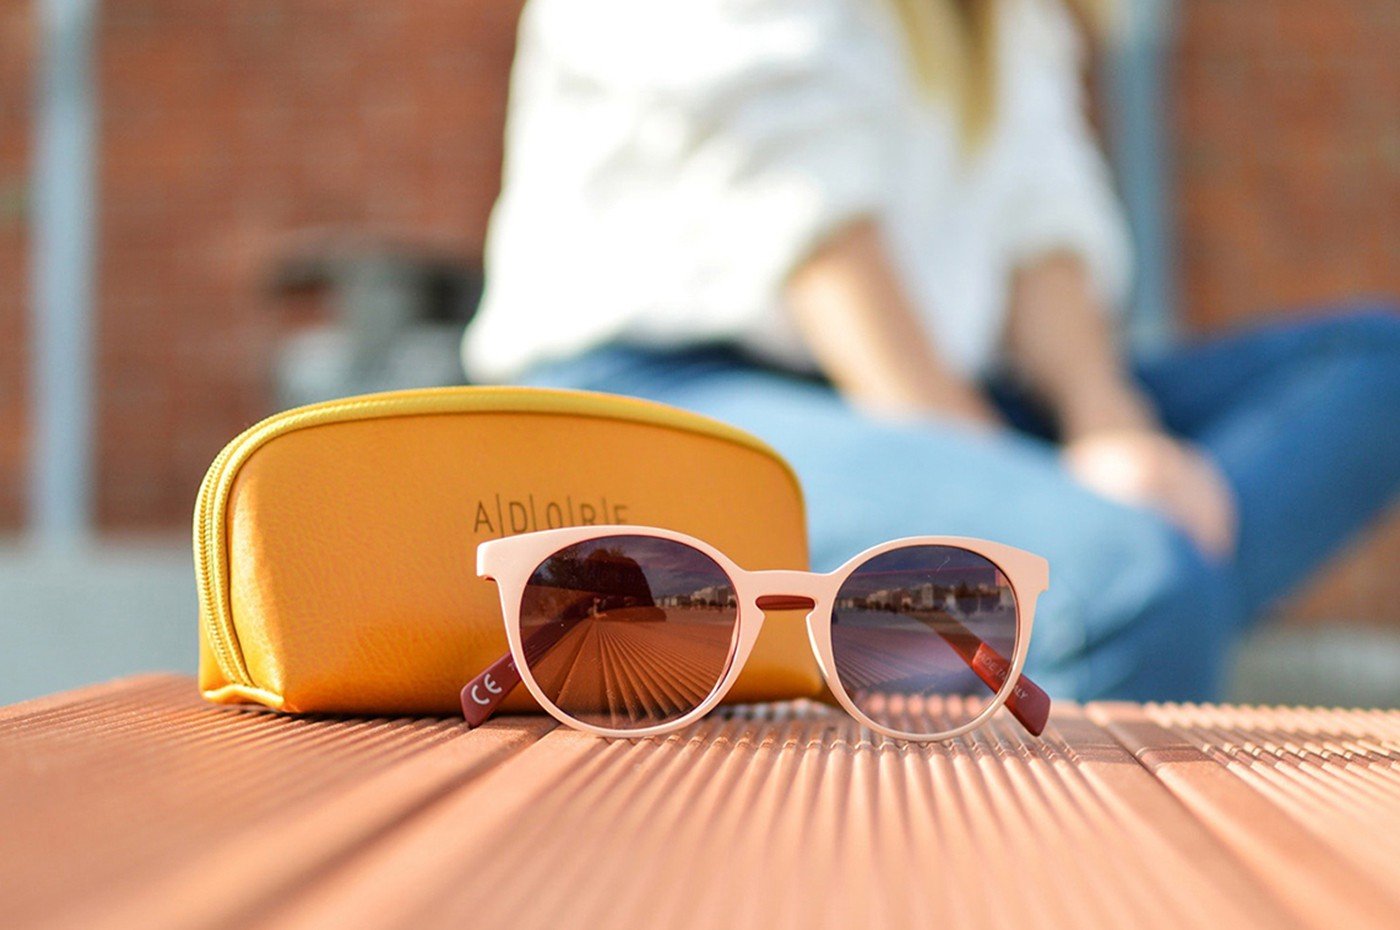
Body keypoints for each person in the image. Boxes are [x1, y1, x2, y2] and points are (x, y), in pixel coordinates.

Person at [463, 0, 1400, 700]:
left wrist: (1110, 429)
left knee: (1372, 367)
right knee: (1134, 587)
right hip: (675, 396)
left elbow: (1043, 215)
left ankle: (954, 644)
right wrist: (1028, 504)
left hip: (963, 391)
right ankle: (1051, 634)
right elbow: (814, 233)